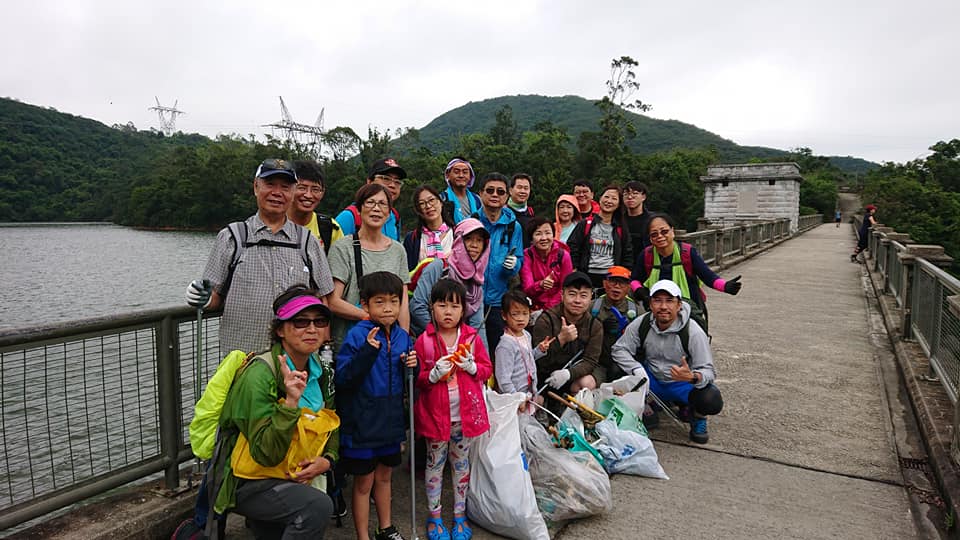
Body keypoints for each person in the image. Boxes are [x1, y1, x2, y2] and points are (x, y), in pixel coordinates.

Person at [205, 286, 338, 538]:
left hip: (292, 471)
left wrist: (327, 460)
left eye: (319, 321)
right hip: (251, 480)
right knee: (316, 507)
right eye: (300, 322)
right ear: (280, 330)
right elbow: (265, 453)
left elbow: (331, 420)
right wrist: (290, 403)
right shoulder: (259, 375)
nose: (312, 329)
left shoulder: (319, 369)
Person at [185, 158, 334, 354]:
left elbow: (324, 299)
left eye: (285, 187)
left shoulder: (308, 242)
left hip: (295, 359)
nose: (277, 193)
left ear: (292, 192)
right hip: (242, 358)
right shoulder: (232, 237)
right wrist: (201, 297)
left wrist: (324, 347)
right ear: (256, 187)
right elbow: (214, 297)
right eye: (270, 184)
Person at [335, 272, 417, 540]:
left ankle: (386, 528)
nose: (388, 309)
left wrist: (411, 368)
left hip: (391, 418)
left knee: (385, 477)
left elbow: (410, 381)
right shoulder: (358, 336)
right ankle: (363, 536)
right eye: (380, 302)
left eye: (394, 302)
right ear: (365, 305)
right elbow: (345, 379)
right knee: (364, 482)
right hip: (363, 420)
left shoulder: (404, 337)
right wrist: (368, 352)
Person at [413, 279, 492, 540]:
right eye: (442, 304)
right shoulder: (424, 341)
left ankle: (460, 514)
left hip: (465, 418)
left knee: (461, 466)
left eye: (454, 306)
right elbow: (420, 380)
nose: (448, 311)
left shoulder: (471, 338)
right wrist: (433, 374)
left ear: (463, 310)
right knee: (434, 466)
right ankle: (434, 516)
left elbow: (486, 369)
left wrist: (471, 367)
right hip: (437, 419)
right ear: (431, 307)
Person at [612, 280, 723, 444]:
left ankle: (698, 417)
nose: (663, 307)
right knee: (616, 369)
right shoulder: (642, 323)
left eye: (669, 301)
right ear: (650, 304)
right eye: (657, 300)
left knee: (710, 398)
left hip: (682, 383)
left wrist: (693, 377)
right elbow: (619, 349)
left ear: (679, 305)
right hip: (652, 380)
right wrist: (636, 369)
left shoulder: (693, 332)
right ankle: (649, 403)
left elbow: (708, 371)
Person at [327, 184, 410, 347]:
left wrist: (403, 340)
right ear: (359, 209)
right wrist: (371, 316)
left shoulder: (398, 250)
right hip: (352, 343)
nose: (376, 209)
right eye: (370, 203)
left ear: (389, 213)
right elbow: (333, 301)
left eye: (382, 204)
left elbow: (403, 301)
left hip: (388, 344)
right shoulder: (342, 248)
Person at [630, 213, 742, 332]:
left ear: (672, 231)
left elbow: (707, 276)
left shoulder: (687, 252)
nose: (660, 236)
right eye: (654, 234)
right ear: (650, 238)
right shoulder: (647, 255)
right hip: (658, 308)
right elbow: (634, 280)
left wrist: (725, 286)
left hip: (688, 306)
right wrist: (642, 293)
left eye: (664, 232)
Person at [410, 218, 490, 341]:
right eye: (468, 239)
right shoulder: (439, 268)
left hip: (456, 345)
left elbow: (478, 326)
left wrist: (482, 359)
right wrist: (441, 335)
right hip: (427, 342)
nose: (474, 245)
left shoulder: (476, 281)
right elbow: (417, 307)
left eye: (479, 240)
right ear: (458, 240)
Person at [474, 173, 524, 357]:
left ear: (507, 196)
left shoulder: (513, 227)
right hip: (473, 299)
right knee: (474, 350)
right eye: (490, 190)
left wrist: (514, 264)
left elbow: (519, 258)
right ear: (480, 193)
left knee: (497, 350)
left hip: (498, 300)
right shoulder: (472, 222)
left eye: (500, 191)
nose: (495, 195)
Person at [532, 272, 602, 402]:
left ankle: (572, 411)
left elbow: (590, 361)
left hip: (571, 377)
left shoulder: (595, 325)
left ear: (591, 297)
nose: (577, 300)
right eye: (572, 294)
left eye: (583, 295)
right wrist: (561, 339)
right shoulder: (546, 320)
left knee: (588, 382)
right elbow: (538, 361)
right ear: (562, 295)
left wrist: (568, 374)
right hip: (543, 378)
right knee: (534, 403)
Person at [495, 290, 553, 413]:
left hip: (528, 392)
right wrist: (516, 398)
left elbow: (527, 358)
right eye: (515, 314)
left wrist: (539, 350)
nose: (521, 319)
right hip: (514, 399)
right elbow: (503, 379)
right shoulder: (505, 345)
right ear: (504, 315)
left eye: (525, 313)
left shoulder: (526, 335)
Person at [567, 185, 633, 289]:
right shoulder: (586, 224)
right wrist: (575, 270)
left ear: (619, 204)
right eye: (606, 197)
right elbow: (572, 247)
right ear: (600, 198)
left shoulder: (621, 228)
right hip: (586, 276)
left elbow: (627, 254)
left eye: (614, 198)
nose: (609, 201)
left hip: (611, 279)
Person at [335, 158, 406, 241]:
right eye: (386, 178)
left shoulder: (394, 216)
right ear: (369, 182)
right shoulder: (349, 217)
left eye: (397, 182)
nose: (392, 185)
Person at [590, 265, 640, 382]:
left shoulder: (637, 311)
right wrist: (599, 328)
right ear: (604, 283)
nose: (617, 286)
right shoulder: (592, 306)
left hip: (624, 365)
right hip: (597, 363)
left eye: (622, 283)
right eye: (613, 282)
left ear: (628, 287)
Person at [520, 216, 573, 312]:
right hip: (533, 308)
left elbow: (565, 289)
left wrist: (546, 310)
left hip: (558, 307)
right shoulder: (527, 256)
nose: (544, 238)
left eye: (548, 233)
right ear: (531, 238)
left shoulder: (563, 255)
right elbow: (527, 289)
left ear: (553, 235)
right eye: (538, 234)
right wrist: (540, 285)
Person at [291, 159, 343, 254]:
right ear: (289, 189)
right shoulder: (274, 225)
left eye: (315, 189)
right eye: (302, 188)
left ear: (323, 193)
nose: (308, 195)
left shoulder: (330, 228)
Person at [403, 185, 455, 271]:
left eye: (431, 200)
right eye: (422, 203)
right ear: (418, 210)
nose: (428, 206)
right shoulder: (412, 239)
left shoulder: (457, 234)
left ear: (441, 202)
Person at [440, 157, 482, 224]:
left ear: (470, 176)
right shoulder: (442, 200)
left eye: (465, 172)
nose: (461, 175)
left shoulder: (477, 200)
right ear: (448, 175)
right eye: (456, 172)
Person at [623, 181, 652, 257]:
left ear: (643, 197)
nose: (630, 197)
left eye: (635, 193)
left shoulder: (652, 220)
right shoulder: (618, 220)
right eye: (626, 194)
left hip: (646, 262)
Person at [507, 173, 535, 247]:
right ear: (510, 190)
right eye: (519, 187)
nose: (523, 191)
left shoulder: (531, 213)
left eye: (526, 188)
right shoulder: (503, 212)